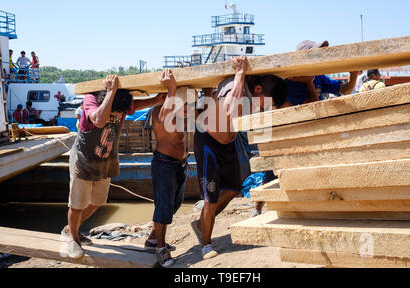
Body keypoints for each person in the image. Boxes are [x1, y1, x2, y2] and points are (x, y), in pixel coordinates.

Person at [191, 56, 287, 260]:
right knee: (211, 197)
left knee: (234, 189)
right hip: (208, 141)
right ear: (258, 90)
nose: (265, 106)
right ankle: (206, 245)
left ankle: (201, 224)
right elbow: (228, 110)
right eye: (266, 102)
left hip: (228, 143)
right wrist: (240, 73)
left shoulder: (253, 94)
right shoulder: (235, 85)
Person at [60, 75, 165, 259]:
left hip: (105, 160)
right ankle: (73, 240)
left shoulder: (121, 101)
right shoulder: (91, 99)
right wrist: (111, 92)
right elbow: (99, 120)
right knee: (77, 204)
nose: (120, 113)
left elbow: (134, 107)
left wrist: (155, 99)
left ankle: (70, 229)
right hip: (84, 160)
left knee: (97, 202)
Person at [143, 69, 191, 268]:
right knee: (163, 207)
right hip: (164, 164)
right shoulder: (158, 112)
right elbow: (163, 118)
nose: (187, 107)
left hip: (179, 165)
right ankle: (161, 248)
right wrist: (171, 89)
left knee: (174, 204)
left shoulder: (182, 112)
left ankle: (153, 239)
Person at [284, 40, 362, 107]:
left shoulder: (318, 77)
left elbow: (345, 90)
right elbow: (312, 109)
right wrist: (308, 82)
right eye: (313, 55)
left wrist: (354, 74)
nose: (318, 58)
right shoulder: (290, 83)